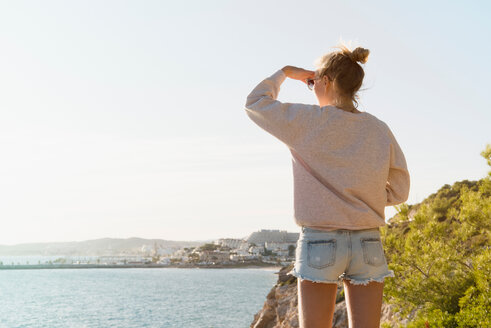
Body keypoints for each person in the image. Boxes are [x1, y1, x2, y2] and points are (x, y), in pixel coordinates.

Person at [243, 43, 410, 328]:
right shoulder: (379, 129)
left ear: (327, 81)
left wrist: (286, 73)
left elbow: (255, 102)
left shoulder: (307, 121)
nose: (312, 87)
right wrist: (362, 196)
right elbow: (400, 189)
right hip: (367, 241)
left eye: (312, 82)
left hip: (320, 240)